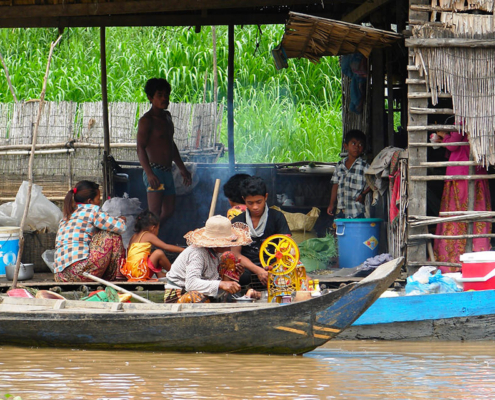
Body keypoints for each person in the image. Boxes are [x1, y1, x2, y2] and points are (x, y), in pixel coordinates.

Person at [433, 129, 492, 272]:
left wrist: (443, 136)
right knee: (477, 213)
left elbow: (453, 145)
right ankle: (477, 252)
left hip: (460, 173)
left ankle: (454, 258)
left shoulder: (462, 121)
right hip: (476, 172)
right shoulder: (478, 121)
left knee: (456, 214)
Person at [137, 77, 192, 227]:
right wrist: (149, 173)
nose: (164, 98)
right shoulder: (146, 121)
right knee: (154, 213)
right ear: (150, 97)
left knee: (168, 210)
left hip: (167, 172)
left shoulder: (167, 117)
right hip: (155, 171)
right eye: (160, 95)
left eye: (166, 95)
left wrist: (182, 168)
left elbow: (170, 144)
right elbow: (140, 148)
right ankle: (146, 243)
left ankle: (152, 237)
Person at [164, 215, 252, 303]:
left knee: (229, 258)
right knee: (195, 297)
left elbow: (214, 278)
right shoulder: (197, 253)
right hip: (180, 295)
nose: (229, 244)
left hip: (204, 293)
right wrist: (221, 284)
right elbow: (191, 284)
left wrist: (232, 275)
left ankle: (225, 300)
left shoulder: (218, 252)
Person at [53, 181, 126, 282]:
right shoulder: (92, 210)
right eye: (98, 199)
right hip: (79, 272)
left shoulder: (67, 215)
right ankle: (118, 276)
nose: (99, 202)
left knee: (99, 234)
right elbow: (120, 227)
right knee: (111, 234)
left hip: (61, 276)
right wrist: (121, 219)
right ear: (89, 201)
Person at [231, 176, 291, 287]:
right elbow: (235, 253)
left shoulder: (277, 217)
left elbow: (287, 246)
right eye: (250, 203)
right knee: (239, 276)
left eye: (259, 202)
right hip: (248, 268)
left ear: (266, 197)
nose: (255, 207)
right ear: (244, 199)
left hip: (274, 265)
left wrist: (275, 266)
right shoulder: (238, 222)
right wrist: (258, 270)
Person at [121, 209, 185, 282]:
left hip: (130, 272)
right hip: (140, 271)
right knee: (158, 253)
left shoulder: (134, 236)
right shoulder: (148, 235)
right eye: (158, 228)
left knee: (149, 255)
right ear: (153, 228)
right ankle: (175, 273)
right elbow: (166, 246)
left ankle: (160, 274)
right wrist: (184, 250)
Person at [327, 129, 370, 219]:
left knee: (357, 232)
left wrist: (363, 194)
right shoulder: (339, 166)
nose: (357, 147)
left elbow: (374, 183)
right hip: (341, 210)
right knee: (341, 232)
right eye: (353, 143)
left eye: (360, 145)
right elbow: (335, 186)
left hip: (357, 211)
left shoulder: (364, 166)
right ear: (346, 146)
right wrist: (331, 204)